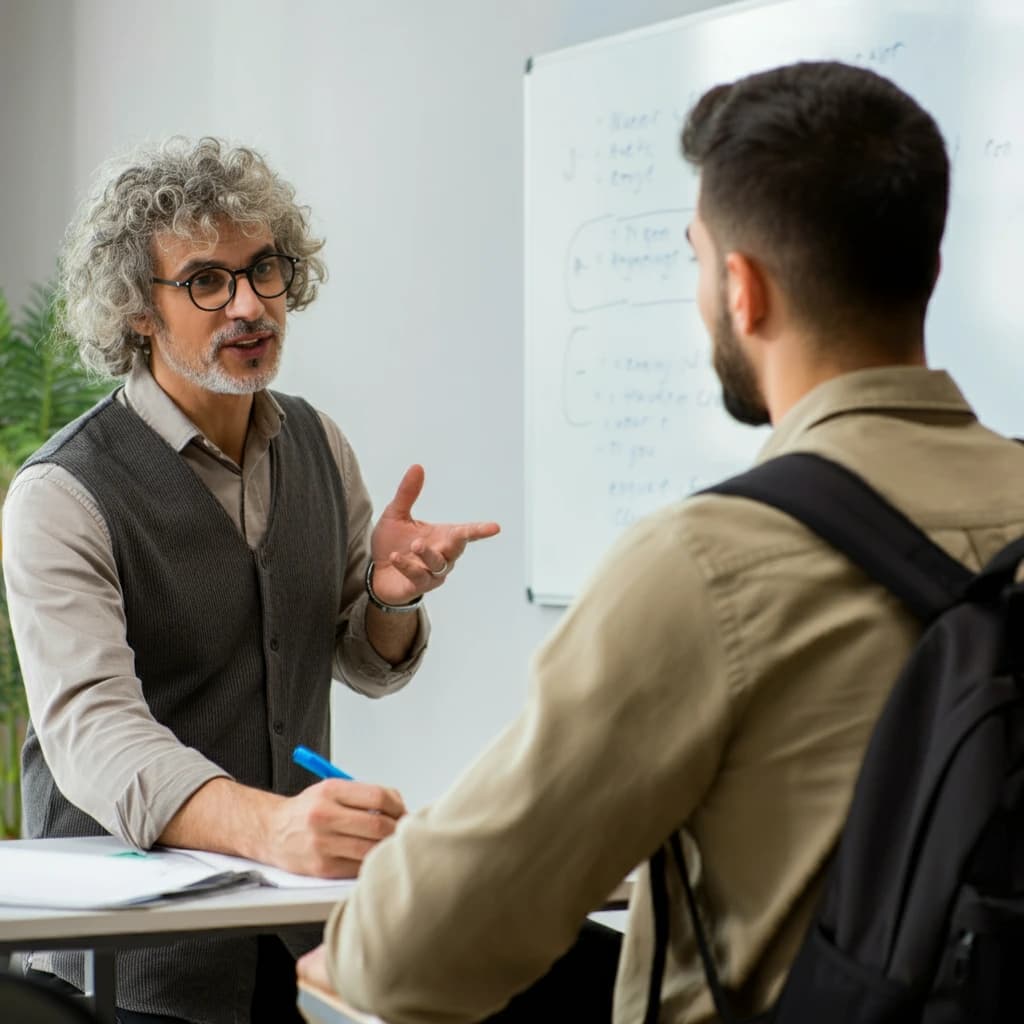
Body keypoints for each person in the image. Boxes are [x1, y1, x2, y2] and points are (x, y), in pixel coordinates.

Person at [296, 60, 1024, 1023]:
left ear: (742, 289)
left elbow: (399, 962)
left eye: (694, 260)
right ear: (928, 270)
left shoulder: (705, 565)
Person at [1, 137, 499, 1024]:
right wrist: (272, 826)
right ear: (137, 313)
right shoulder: (60, 493)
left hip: (294, 933)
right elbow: (96, 735)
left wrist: (390, 597)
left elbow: (365, 663)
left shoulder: (316, 443)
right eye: (206, 280)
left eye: (263, 269)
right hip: (131, 969)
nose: (248, 304)